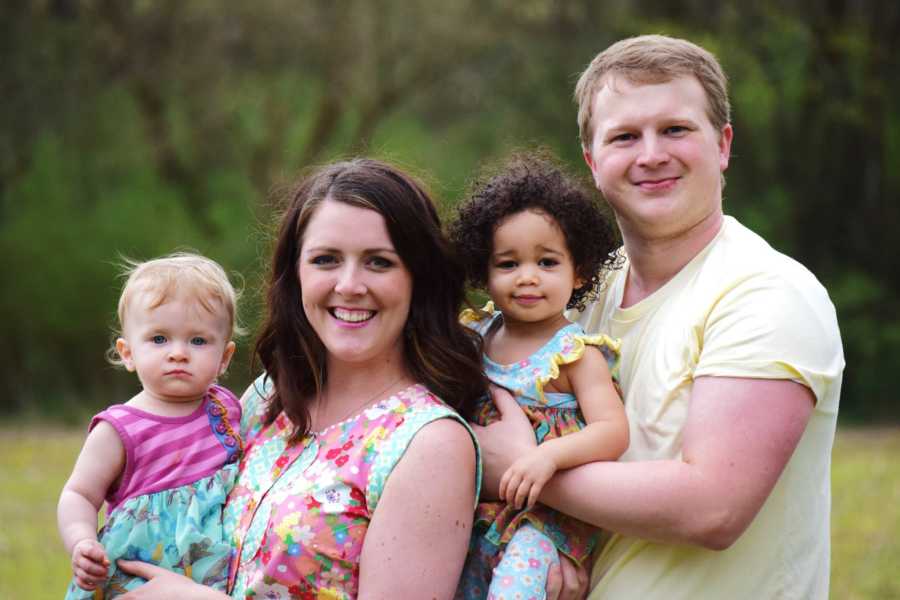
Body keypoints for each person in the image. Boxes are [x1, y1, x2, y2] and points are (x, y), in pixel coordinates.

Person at [474, 34, 844, 599]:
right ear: (593, 163)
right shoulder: (576, 288)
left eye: (675, 129)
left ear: (722, 145)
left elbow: (711, 508)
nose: (651, 154)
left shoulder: (766, 293)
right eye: (625, 136)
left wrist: (516, 470)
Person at [116, 158, 489, 599]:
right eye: (326, 259)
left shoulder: (430, 444)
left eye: (379, 262)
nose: (349, 284)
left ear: (418, 280)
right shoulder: (263, 400)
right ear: (296, 274)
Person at [449, 153, 629, 600]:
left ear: (579, 270)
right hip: (479, 513)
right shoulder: (475, 335)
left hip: (544, 521)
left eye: (547, 263)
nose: (527, 278)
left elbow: (612, 430)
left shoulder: (574, 354)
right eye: (508, 265)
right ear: (484, 273)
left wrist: (548, 458)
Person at [58, 252, 242, 598]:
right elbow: (78, 493)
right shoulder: (120, 429)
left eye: (198, 341)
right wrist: (82, 541)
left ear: (224, 357)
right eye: (159, 339)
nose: (178, 353)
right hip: (136, 579)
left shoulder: (226, 409)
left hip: (211, 579)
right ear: (128, 352)